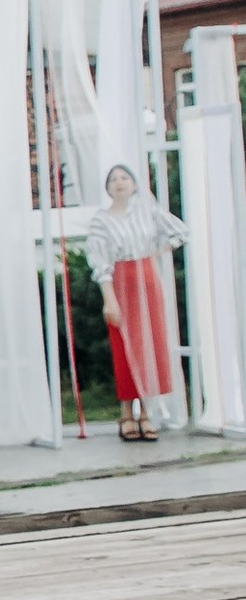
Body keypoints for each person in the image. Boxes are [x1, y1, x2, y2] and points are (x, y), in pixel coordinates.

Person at [89, 161, 184, 443]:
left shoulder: (148, 212)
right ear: (107, 187)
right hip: (121, 280)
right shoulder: (101, 220)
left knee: (150, 344)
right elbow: (100, 261)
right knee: (124, 345)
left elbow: (179, 232)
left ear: (134, 184)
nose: (119, 182)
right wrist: (109, 299)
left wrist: (157, 251)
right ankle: (125, 413)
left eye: (124, 177)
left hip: (147, 277)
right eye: (113, 179)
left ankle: (146, 412)